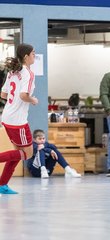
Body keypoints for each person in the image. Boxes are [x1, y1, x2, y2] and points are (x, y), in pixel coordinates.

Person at [0, 43, 38, 194]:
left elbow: (3, 94)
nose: (35, 55)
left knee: (17, 153)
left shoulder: (12, 72)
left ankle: (3, 184)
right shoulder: (28, 73)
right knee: (28, 153)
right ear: (26, 56)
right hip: (18, 121)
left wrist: (14, 99)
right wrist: (33, 100)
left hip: (7, 118)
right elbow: (23, 95)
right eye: (33, 53)